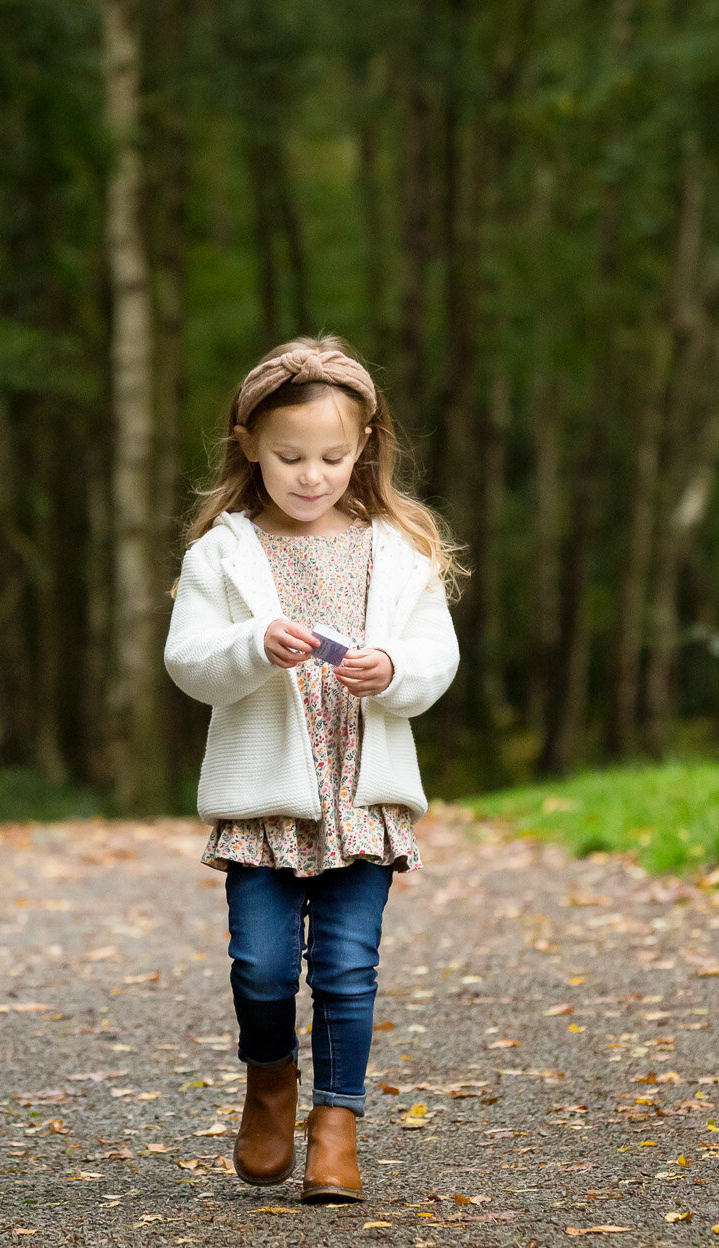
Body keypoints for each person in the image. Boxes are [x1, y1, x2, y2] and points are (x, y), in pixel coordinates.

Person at [164, 336, 460, 1204]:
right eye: (290, 456)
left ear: (364, 446)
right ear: (249, 443)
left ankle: (337, 1125)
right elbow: (188, 661)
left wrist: (393, 672)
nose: (310, 475)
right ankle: (270, 1079)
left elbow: (434, 657)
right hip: (268, 799)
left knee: (345, 966)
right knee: (259, 965)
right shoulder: (223, 554)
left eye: (331, 456)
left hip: (360, 795)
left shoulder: (398, 552)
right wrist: (253, 643)